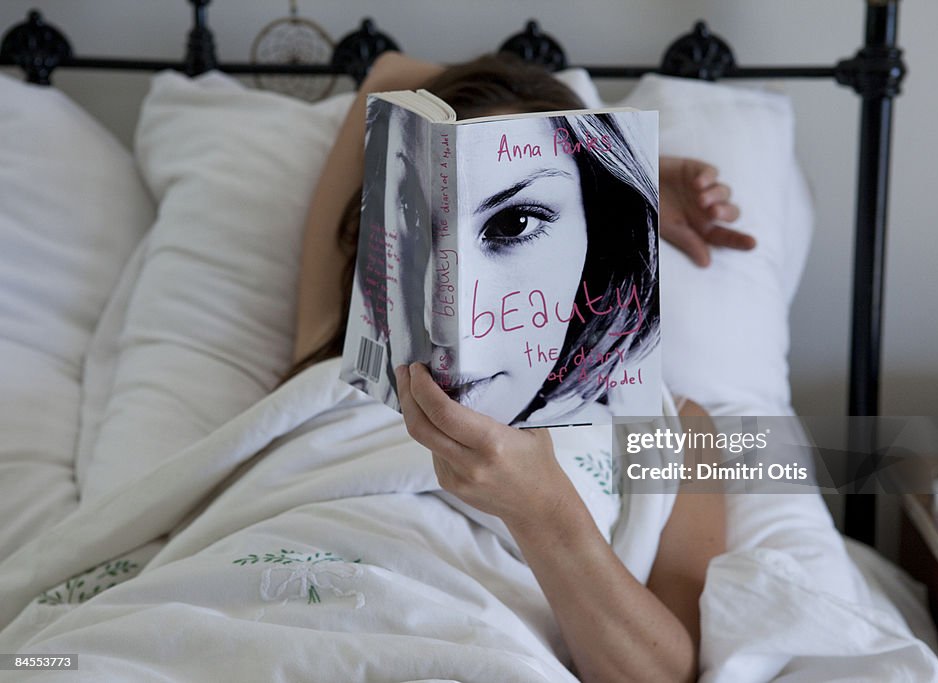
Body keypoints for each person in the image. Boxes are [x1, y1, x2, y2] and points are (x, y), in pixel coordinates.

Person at [290, 51, 752, 682]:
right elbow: (388, 74)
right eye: (418, 229)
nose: (462, 287)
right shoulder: (332, 361)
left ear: (596, 228)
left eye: (515, 220)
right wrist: (621, 161)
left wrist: (542, 510)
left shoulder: (672, 427)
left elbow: (662, 676)